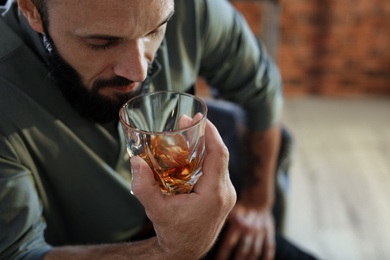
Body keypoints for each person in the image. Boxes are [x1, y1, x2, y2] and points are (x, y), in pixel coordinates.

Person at [0, 0, 317, 259]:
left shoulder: (194, 8)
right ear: (31, 9)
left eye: (155, 30)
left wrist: (258, 201)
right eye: (101, 42)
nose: (138, 70)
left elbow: (259, 90)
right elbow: (20, 253)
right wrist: (170, 251)